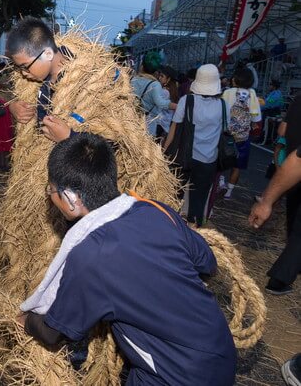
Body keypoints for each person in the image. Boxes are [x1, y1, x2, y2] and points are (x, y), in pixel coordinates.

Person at [18, 132, 236, 385]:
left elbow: (53, 331)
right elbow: (207, 263)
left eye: (51, 190)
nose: (50, 196)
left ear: (70, 199)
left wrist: (24, 320)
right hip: (221, 351)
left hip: (174, 375)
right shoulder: (157, 210)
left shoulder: (89, 255)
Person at [250, 92, 301, 295]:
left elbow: (282, 130)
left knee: (295, 218)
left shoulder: (297, 99)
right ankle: (280, 277)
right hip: (293, 165)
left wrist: (267, 201)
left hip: (291, 168)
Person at [164, 64, 225, 227]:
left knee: (175, 193)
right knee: (199, 198)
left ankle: (171, 225)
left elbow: (174, 128)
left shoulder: (186, 101)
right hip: (209, 159)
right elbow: (224, 130)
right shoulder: (222, 105)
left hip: (184, 155)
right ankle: (194, 228)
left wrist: (164, 151)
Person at [5, 17, 73, 127]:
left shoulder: (87, 82)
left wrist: (70, 137)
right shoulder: (40, 80)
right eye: (20, 68)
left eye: (25, 66)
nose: (23, 73)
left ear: (47, 54)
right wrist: (12, 107)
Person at [221, 67, 262, 199]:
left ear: (235, 78)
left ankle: (219, 183)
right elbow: (256, 117)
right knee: (237, 165)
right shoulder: (252, 94)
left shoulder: (228, 92)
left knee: (220, 160)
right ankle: (229, 192)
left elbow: (220, 110)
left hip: (226, 134)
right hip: (242, 137)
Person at [131, 52, 177, 136]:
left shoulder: (133, 80)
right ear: (156, 72)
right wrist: (179, 106)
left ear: (142, 66)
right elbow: (161, 103)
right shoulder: (155, 84)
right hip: (148, 126)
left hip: (132, 123)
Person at [154, 65, 179, 141]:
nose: (159, 78)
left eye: (162, 76)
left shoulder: (165, 92)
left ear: (168, 79)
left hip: (160, 124)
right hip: (166, 125)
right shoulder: (172, 90)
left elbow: (157, 105)